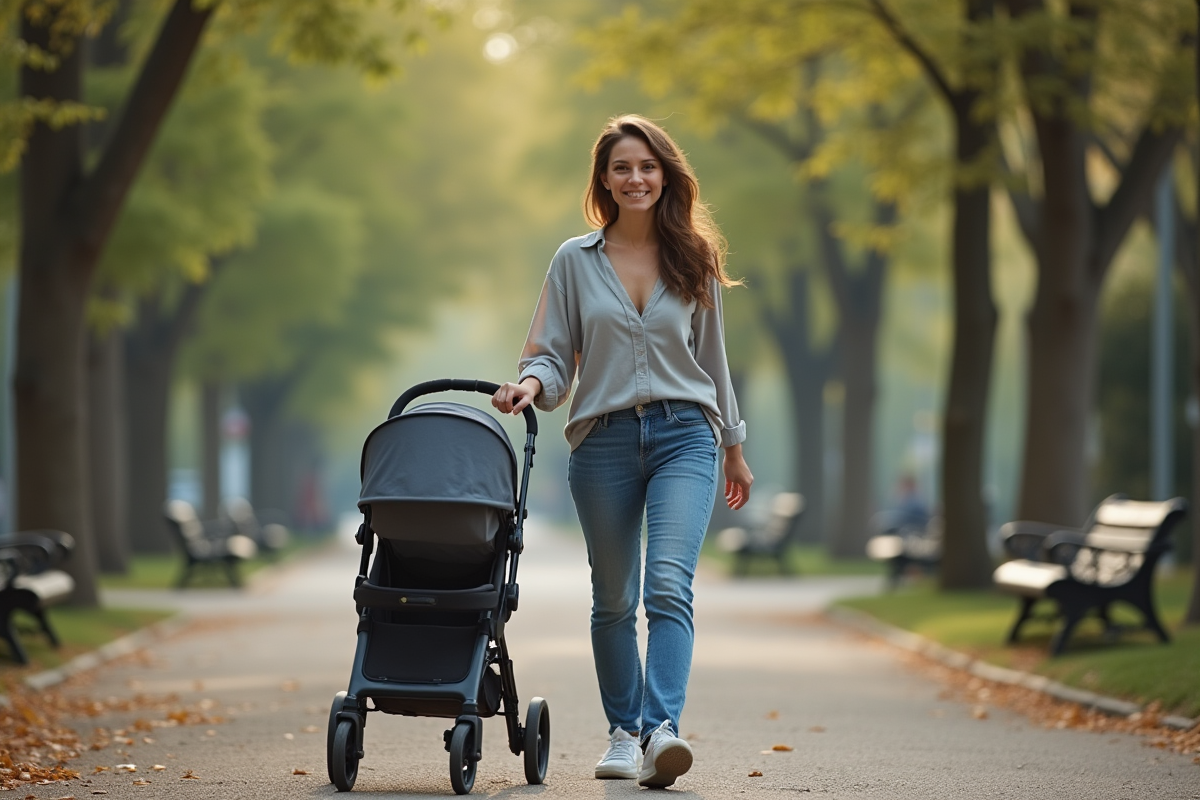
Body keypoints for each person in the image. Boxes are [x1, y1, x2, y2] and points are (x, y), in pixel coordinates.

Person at [492, 114, 753, 788]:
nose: (635, 178)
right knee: (614, 597)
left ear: (665, 175)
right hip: (603, 441)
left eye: (646, 166)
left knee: (669, 584)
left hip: (685, 435)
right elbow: (550, 354)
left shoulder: (694, 255)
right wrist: (528, 385)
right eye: (621, 168)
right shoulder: (573, 261)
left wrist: (733, 446)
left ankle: (662, 729)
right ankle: (623, 731)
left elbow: (714, 362)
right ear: (604, 181)